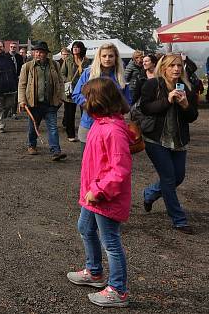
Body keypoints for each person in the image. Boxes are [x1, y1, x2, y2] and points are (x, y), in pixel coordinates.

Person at [66, 77, 132, 308]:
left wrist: (99, 190)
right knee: (85, 228)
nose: (84, 101)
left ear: (100, 100)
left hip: (105, 196)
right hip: (93, 194)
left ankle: (118, 290)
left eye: (88, 97)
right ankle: (94, 272)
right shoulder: (100, 123)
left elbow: (120, 170)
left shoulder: (113, 130)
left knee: (111, 242)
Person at [140, 53, 199, 234]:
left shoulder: (187, 87)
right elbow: (146, 108)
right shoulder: (153, 84)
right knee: (168, 178)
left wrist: (185, 105)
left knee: (178, 177)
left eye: (179, 66)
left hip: (178, 140)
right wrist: (167, 100)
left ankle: (149, 194)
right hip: (156, 139)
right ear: (164, 68)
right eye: (172, 66)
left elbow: (192, 117)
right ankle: (179, 220)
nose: (176, 69)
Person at [17, 41, 67, 161]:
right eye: (37, 52)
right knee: (33, 127)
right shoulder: (27, 66)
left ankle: (56, 151)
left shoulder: (55, 65)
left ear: (46, 54)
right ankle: (32, 145)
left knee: (53, 127)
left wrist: (61, 97)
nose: (38, 54)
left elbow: (60, 82)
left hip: (50, 103)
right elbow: (22, 85)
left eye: (41, 52)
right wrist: (22, 101)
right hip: (34, 103)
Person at [71, 43, 130, 143]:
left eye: (111, 56)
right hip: (89, 123)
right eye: (104, 56)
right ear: (99, 57)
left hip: (113, 126)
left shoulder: (120, 75)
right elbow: (76, 94)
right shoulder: (88, 73)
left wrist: (117, 107)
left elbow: (128, 100)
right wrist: (93, 104)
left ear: (116, 57)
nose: (107, 59)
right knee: (89, 158)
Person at [59, 41, 87, 142]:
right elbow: (62, 73)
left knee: (85, 112)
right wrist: (67, 82)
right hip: (70, 90)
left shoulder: (86, 60)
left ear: (81, 49)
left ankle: (85, 133)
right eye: (74, 47)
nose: (75, 49)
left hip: (84, 90)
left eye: (77, 47)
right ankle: (70, 134)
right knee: (70, 113)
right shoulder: (68, 60)